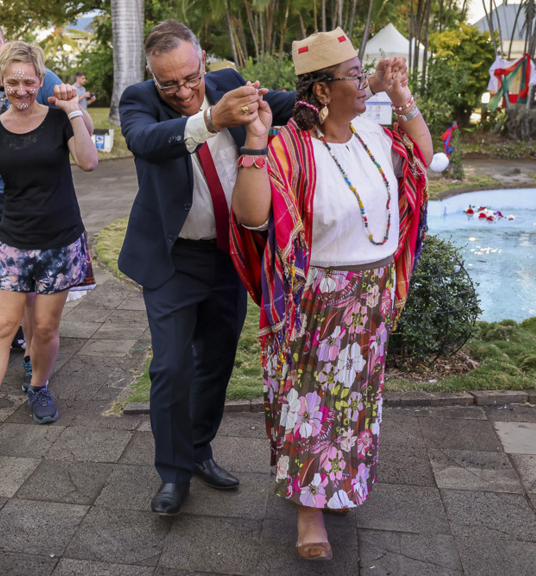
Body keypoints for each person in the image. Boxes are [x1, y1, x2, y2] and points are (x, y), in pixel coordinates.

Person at [230, 29, 431, 560]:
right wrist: (254, 139)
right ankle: (308, 513)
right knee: (312, 405)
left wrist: (399, 92)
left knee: (357, 401)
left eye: (362, 74)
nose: (365, 84)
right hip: (317, 299)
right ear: (321, 91)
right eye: (355, 77)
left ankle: (339, 484)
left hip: (372, 295)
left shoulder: (371, 132)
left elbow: (423, 158)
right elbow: (251, 218)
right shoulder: (291, 147)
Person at [117, 19, 296, 516]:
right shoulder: (137, 101)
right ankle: (173, 475)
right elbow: (146, 141)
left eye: (190, 78)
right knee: (171, 368)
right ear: (153, 77)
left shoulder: (227, 82)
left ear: (203, 60)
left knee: (215, 363)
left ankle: (199, 450)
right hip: (173, 259)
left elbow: (289, 102)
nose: (182, 90)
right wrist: (209, 119)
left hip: (228, 254)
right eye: (169, 83)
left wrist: (331, 86)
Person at [0, 41, 97, 449]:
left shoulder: (58, 118)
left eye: (29, 82)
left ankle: (39, 385)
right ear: (2, 84)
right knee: (1, 328)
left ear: (41, 81)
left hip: (60, 241)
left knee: (44, 327)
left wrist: (75, 109)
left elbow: (88, 161)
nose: (22, 90)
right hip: (13, 242)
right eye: (13, 83)